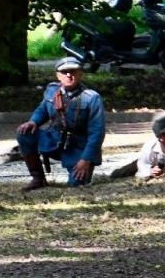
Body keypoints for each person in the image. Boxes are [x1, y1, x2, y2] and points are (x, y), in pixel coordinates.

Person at [16, 58, 106, 190]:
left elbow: (97, 133)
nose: (69, 75)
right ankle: (38, 178)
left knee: (76, 184)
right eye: (64, 72)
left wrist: (86, 159)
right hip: (54, 139)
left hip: (78, 146)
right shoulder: (52, 91)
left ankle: (78, 170)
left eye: (73, 71)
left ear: (81, 73)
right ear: (58, 75)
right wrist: (33, 121)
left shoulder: (92, 98)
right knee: (24, 133)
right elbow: (43, 109)